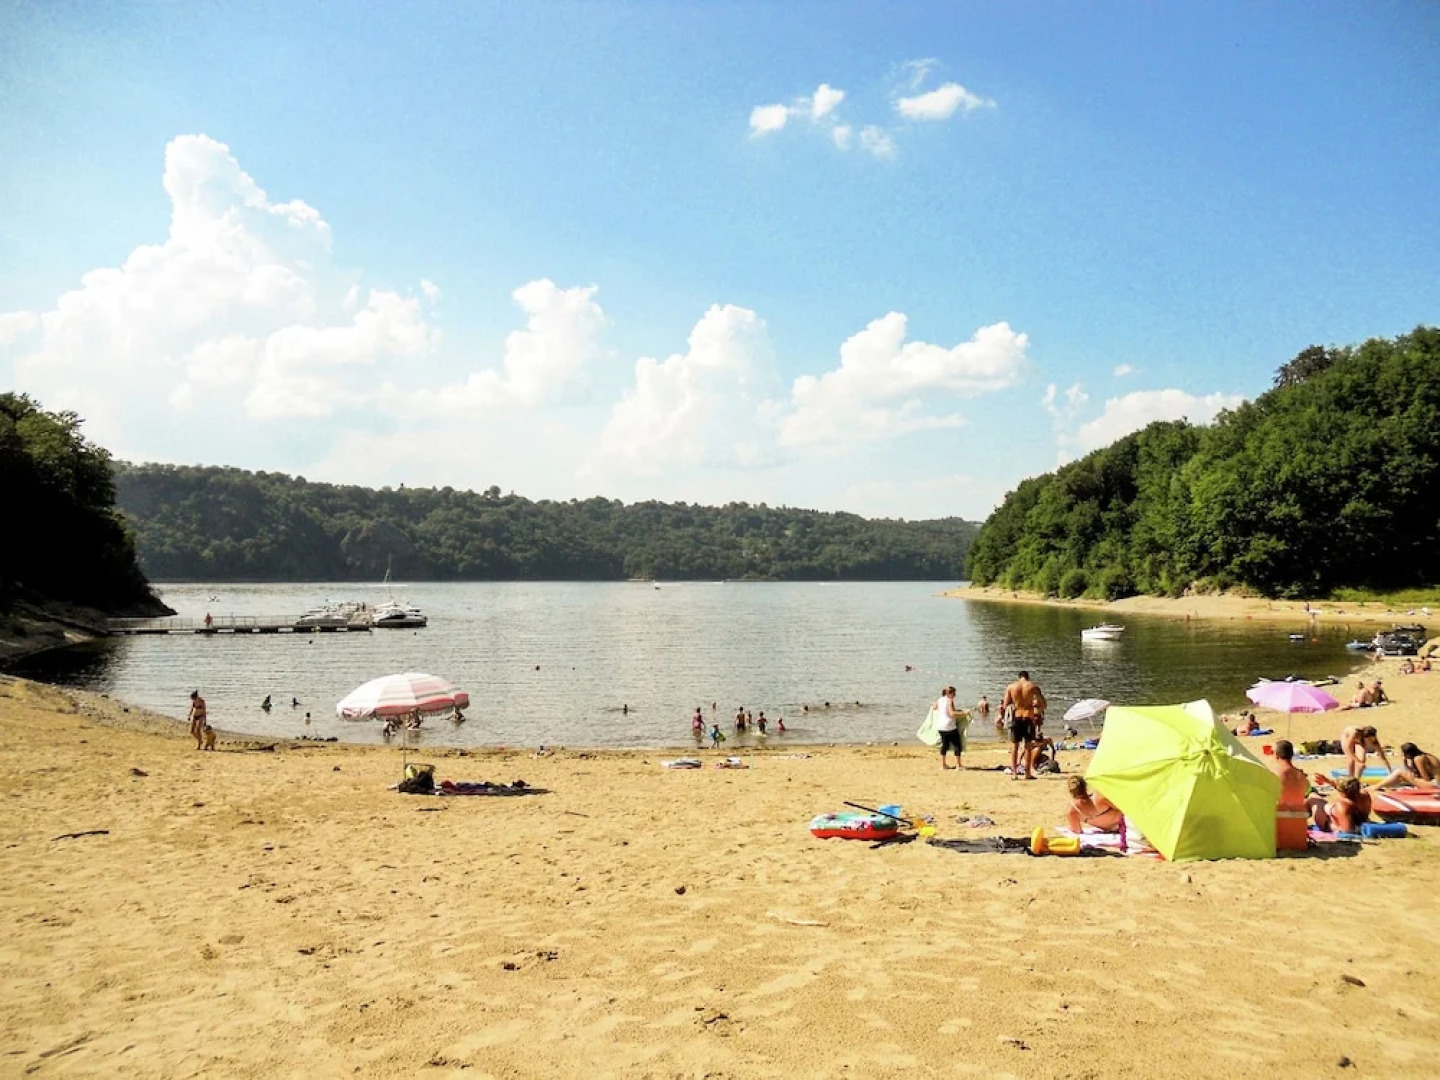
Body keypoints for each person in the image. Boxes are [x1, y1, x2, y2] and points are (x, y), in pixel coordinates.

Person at [1002, 670, 1046, 780]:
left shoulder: (1011, 687)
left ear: (1019, 677)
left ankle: (1015, 773)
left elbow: (1005, 705)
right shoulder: (1033, 686)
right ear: (1028, 677)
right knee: (1028, 746)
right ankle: (1027, 773)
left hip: (1015, 717)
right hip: (1028, 717)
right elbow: (1043, 704)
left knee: (1014, 746)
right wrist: (1035, 709)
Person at [1373, 742, 1440, 790]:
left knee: (1400, 772)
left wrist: (1405, 763)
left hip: (1435, 786)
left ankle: (1375, 787)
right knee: (1403, 776)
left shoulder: (1418, 759)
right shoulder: (1426, 756)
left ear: (1408, 754)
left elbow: (1426, 779)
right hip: (1436, 783)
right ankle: (1380, 786)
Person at [1269, 740, 1309, 811]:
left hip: (1281, 818)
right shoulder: (1301, 776)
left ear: (1276, 755)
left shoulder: (1275, 775)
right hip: (1299, 817)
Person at [933, 686, 967, 771]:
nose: (955, 695)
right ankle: (958, 765)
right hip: (950, 727)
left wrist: (959, 711)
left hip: (940, 726)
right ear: (949, 693)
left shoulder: (940, 699)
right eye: (953, 693)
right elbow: (952, 713)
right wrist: (964, 713)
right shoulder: (950, 701)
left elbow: (934, 707)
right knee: (957, 745)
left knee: (944, 745)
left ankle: (943, 765)